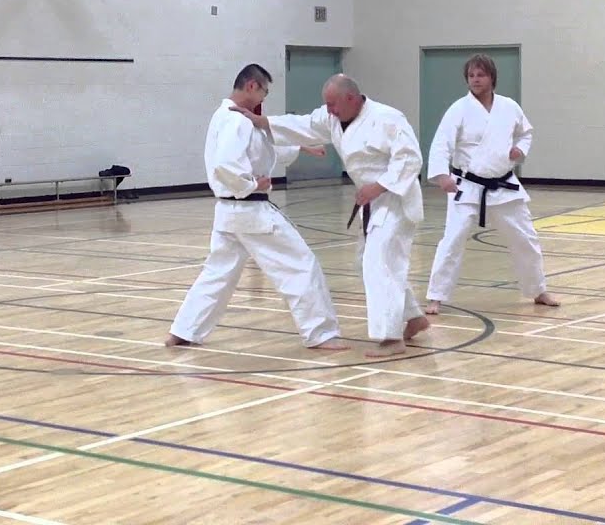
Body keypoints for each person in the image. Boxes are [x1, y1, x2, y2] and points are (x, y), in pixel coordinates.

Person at [238, 74, 430, 359]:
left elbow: (410, 158)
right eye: (327, 105)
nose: (329, 110)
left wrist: (376, 187)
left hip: (395, 199)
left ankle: (390, 338)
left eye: (333, 104)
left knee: (379, 261)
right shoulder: (332, 118)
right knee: (368, 260)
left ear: (351, 98)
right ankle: (413, 317)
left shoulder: (388, 118)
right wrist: (262, 121)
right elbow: (304, 124)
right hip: (371, 201)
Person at [166, 64, 347, 351]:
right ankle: (321, 333)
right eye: (264, 91)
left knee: (217, 274)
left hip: (228, 214)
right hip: (250, 211)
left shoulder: (226, 117)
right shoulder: (236, 120)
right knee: (300, 264)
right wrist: (252, 184)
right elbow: (227, 164)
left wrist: (300, 147)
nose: (264, 98)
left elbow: (259, 148)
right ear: (251, 86)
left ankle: (184, 330)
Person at [424, 54, 559, 314]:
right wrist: (442, 175)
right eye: (471, 75)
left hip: (503, 185)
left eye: (480, 74)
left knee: (526, 239)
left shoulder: (509, 107)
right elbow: (442, 143)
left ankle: (538, 289)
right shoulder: (459, 109)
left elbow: (526, 133)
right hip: (466, 185)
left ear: (492, 77)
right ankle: (436, 297)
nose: (475, 79)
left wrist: (520, 149)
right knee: (451, 241)